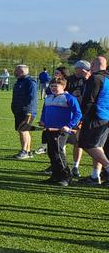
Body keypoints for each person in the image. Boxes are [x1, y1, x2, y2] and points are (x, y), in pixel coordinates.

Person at [40, 75, 82, 186]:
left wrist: (69, 125)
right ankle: (55, 175)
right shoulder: (48, 97)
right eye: (52, 86)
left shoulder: (69, 98)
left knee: (58, 152)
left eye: (56, 86)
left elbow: (78, 114)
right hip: (49, 129)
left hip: (61, 131)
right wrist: (42, 120)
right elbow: (44, 111)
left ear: (63, 86)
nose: (53, 88)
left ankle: (66, 177)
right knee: (51, 153)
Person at [78, 55, 109, 184]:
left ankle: (107, 167)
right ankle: (95, 175)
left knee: (87, 144)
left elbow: (89, 99)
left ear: (92, 66)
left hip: (95, 116)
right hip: (105, 116)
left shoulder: (96, 78)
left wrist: (82, 116)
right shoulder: (107, 78)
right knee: (98, 146)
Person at [67, 60, 91, 178]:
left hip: (82, 115)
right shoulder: (69, 80)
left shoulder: (90, 80)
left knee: (78, 142)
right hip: (68, 114)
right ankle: (60, 164)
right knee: (63, 140)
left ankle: (75, 166)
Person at [11, 64, 38, 160]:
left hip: (26, 111)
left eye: (16, 70)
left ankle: (24, 151)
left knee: (23, 130)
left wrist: (29, 111)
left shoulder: (30, 82)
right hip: (19, 110)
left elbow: (32, 98)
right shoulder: (19, 81)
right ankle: (28, 151)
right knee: (23, 130)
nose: (14, 72)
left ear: (21, 71)